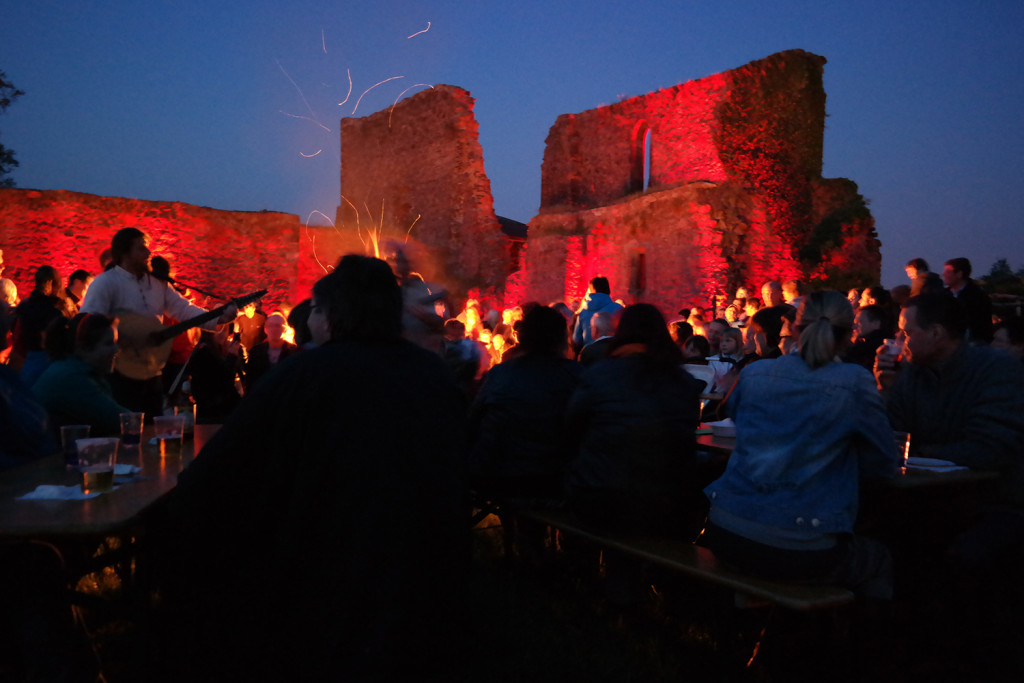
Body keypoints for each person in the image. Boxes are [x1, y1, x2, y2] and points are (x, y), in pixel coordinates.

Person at [159, 255, 468, 681]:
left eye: (318, 310)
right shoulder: (432, 375)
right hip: (427, 586)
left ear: (333, 316)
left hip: (325, 587)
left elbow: (211, 481)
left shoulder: (303, 375)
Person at [702, 291, 898, 599]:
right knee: (879, 559)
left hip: (725, 530)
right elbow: (885, 465)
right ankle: (853, 644)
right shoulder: (855, 381)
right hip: (801, 543)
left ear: (793, 328)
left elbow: (731, 416)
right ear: (849, 335)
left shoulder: (755, 372)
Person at [565, 303, 706, 539]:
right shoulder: (683, 382)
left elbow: (572, 427)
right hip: (662, 503)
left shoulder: (599, 374)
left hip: (599, 495)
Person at [80, 228, 235, 417]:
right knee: (126, 426)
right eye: (141, 249)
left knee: (153, 428)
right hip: (119, 375)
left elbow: (183, 309)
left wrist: (219, 318)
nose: (148, 253)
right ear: (124, 252)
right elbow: (88, 325)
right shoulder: (105, 283)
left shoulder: (157, 283)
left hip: (152, 372)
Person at [469, 305, 582, 503]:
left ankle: (513, 532)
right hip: (553, 478)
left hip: (498, 475)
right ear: (562, 338)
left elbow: (473, 421)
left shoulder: (500, 373)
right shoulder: (576, 376)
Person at [33, 313, 127, 435]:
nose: (116, 349)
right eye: (109, 343)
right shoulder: (71, 379)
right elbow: (120, 420)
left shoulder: (74, 370)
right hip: (50, 453)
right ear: (83, 348)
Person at [9, 265, 71, 384]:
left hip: (26, 365)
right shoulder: (54, 313)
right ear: (51, 283)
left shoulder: (24, 308)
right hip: (48, 368)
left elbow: (17, 340)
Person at [942, 257, 993, 344]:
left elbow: (982, 326)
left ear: (959, 274)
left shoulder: (977, 297)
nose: (943, 275)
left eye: (948, 272)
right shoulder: (943, 295)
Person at [242, 311, 297, 391]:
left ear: (285, 329)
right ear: (265, 329)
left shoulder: (294, 351)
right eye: (270, 325)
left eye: (278, 326)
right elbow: (251, 380)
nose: (274, 329)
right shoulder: (256, 351)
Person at [571, 276, 624, 353]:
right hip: (612, 354)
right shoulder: (619, 309)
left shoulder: (583, 312)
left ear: (592, 290)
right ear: (608, 289)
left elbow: (577, 339)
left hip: (589, 355)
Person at [842, 304, 890, 370]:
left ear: (876, 324)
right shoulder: (864, 345)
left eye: (858, 322)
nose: (854, 326)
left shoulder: (867, 350)